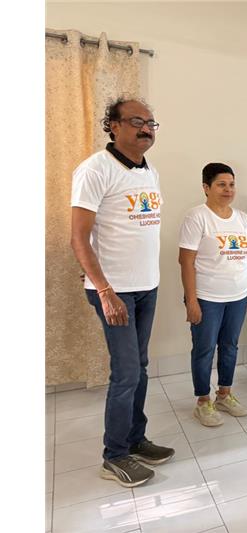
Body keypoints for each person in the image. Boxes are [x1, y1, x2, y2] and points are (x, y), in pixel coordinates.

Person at [70, 98, 174, 487]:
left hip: (147, 287)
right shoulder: (95, 170)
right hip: (114, 291)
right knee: (127, 372)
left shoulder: (150, 172)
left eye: (151, 122)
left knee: (140, 368)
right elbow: (78, 239)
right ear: (113, 126)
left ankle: (135, 438)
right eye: (136, 121)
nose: (146, 128)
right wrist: (106, 290)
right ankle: (114, 455)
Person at [178, 163, 247, 426]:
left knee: (230, 347)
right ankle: (203, 401)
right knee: (204, 349)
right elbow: (185, 262)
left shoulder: (242, 218)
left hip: (238, 296)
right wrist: (191, 300)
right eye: (221, 184)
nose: (228, 189)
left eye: (231, 184)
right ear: (206, 187)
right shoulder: (197, 217)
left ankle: (224, 394)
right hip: (208, 298)